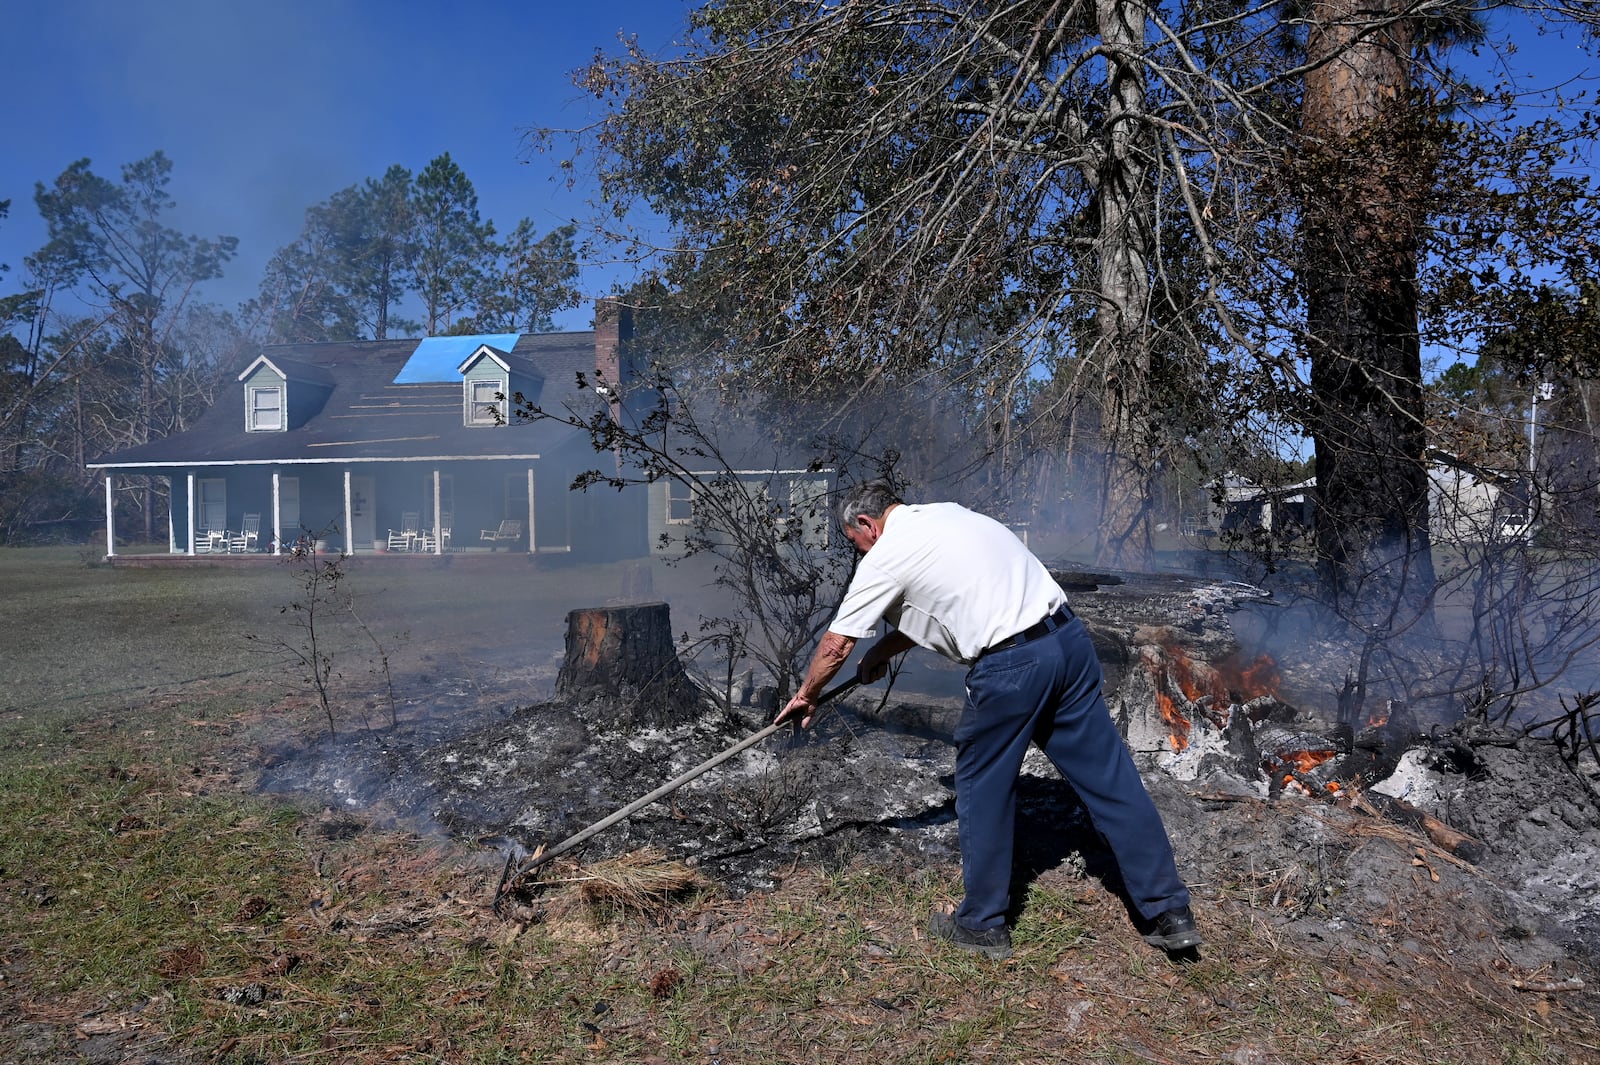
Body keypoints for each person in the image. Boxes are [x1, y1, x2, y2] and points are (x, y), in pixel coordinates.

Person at [775, 480, 1200, 959]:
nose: (858, 552)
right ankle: (1169, 913)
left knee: (980, 785)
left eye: (854, 542)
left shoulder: (886, 554)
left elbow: (835, 644)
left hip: (1013, 666)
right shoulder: (948, 515)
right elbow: (953, 598)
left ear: (868, 526)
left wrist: (808, 695)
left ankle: (981, 924)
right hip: (1067, 643)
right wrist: (884, 650)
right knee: (1110, 779)